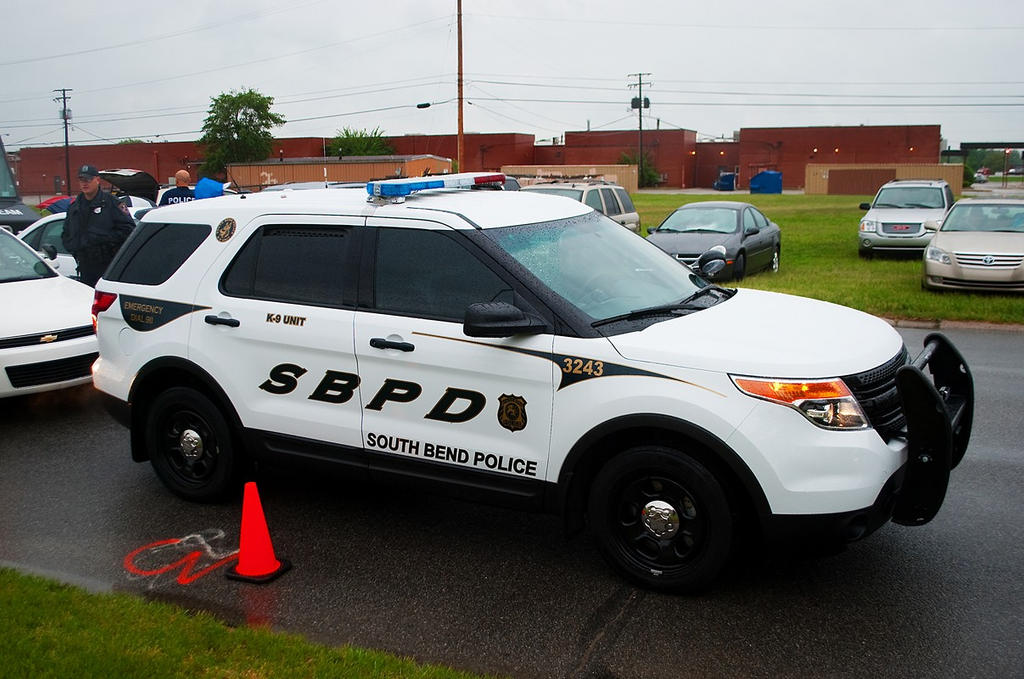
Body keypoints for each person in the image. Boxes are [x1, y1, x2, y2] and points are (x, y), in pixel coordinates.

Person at [61, 164, 135, 286]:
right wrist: (75, 246)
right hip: (85, 266)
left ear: (97, 180)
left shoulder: (112, 203)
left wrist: (103, 239)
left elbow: (129, 230)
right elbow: (66, 233)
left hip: (109, 266)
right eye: (81, 180)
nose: (85, 183)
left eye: (88, 180)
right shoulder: (74, 207)